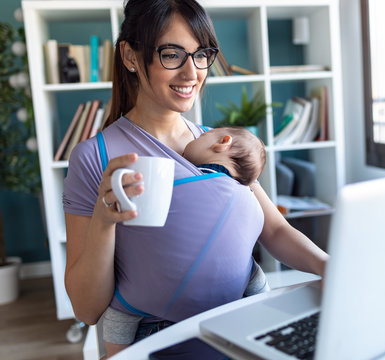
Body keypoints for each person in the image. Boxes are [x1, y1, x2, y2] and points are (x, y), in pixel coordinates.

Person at [63, 0, 328, 355]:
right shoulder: (94, 158)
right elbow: (86, 309)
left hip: (239, 318)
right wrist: (103, 221)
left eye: (201, 54)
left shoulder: (218, 147)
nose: (192, 74)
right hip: (160, 338)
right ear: (129, 56)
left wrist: (330, 267)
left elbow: (276, 230)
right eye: (172, 54)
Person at [101, 126, 269, 356]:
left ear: (223, 142)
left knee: (119, 314)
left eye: (201, 136)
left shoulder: (173, 183)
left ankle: (115, 354)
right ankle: (265, 318)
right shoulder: (249, 199)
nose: (194, 138)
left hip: (146, 298)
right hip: (226, 297)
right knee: (251, 270)